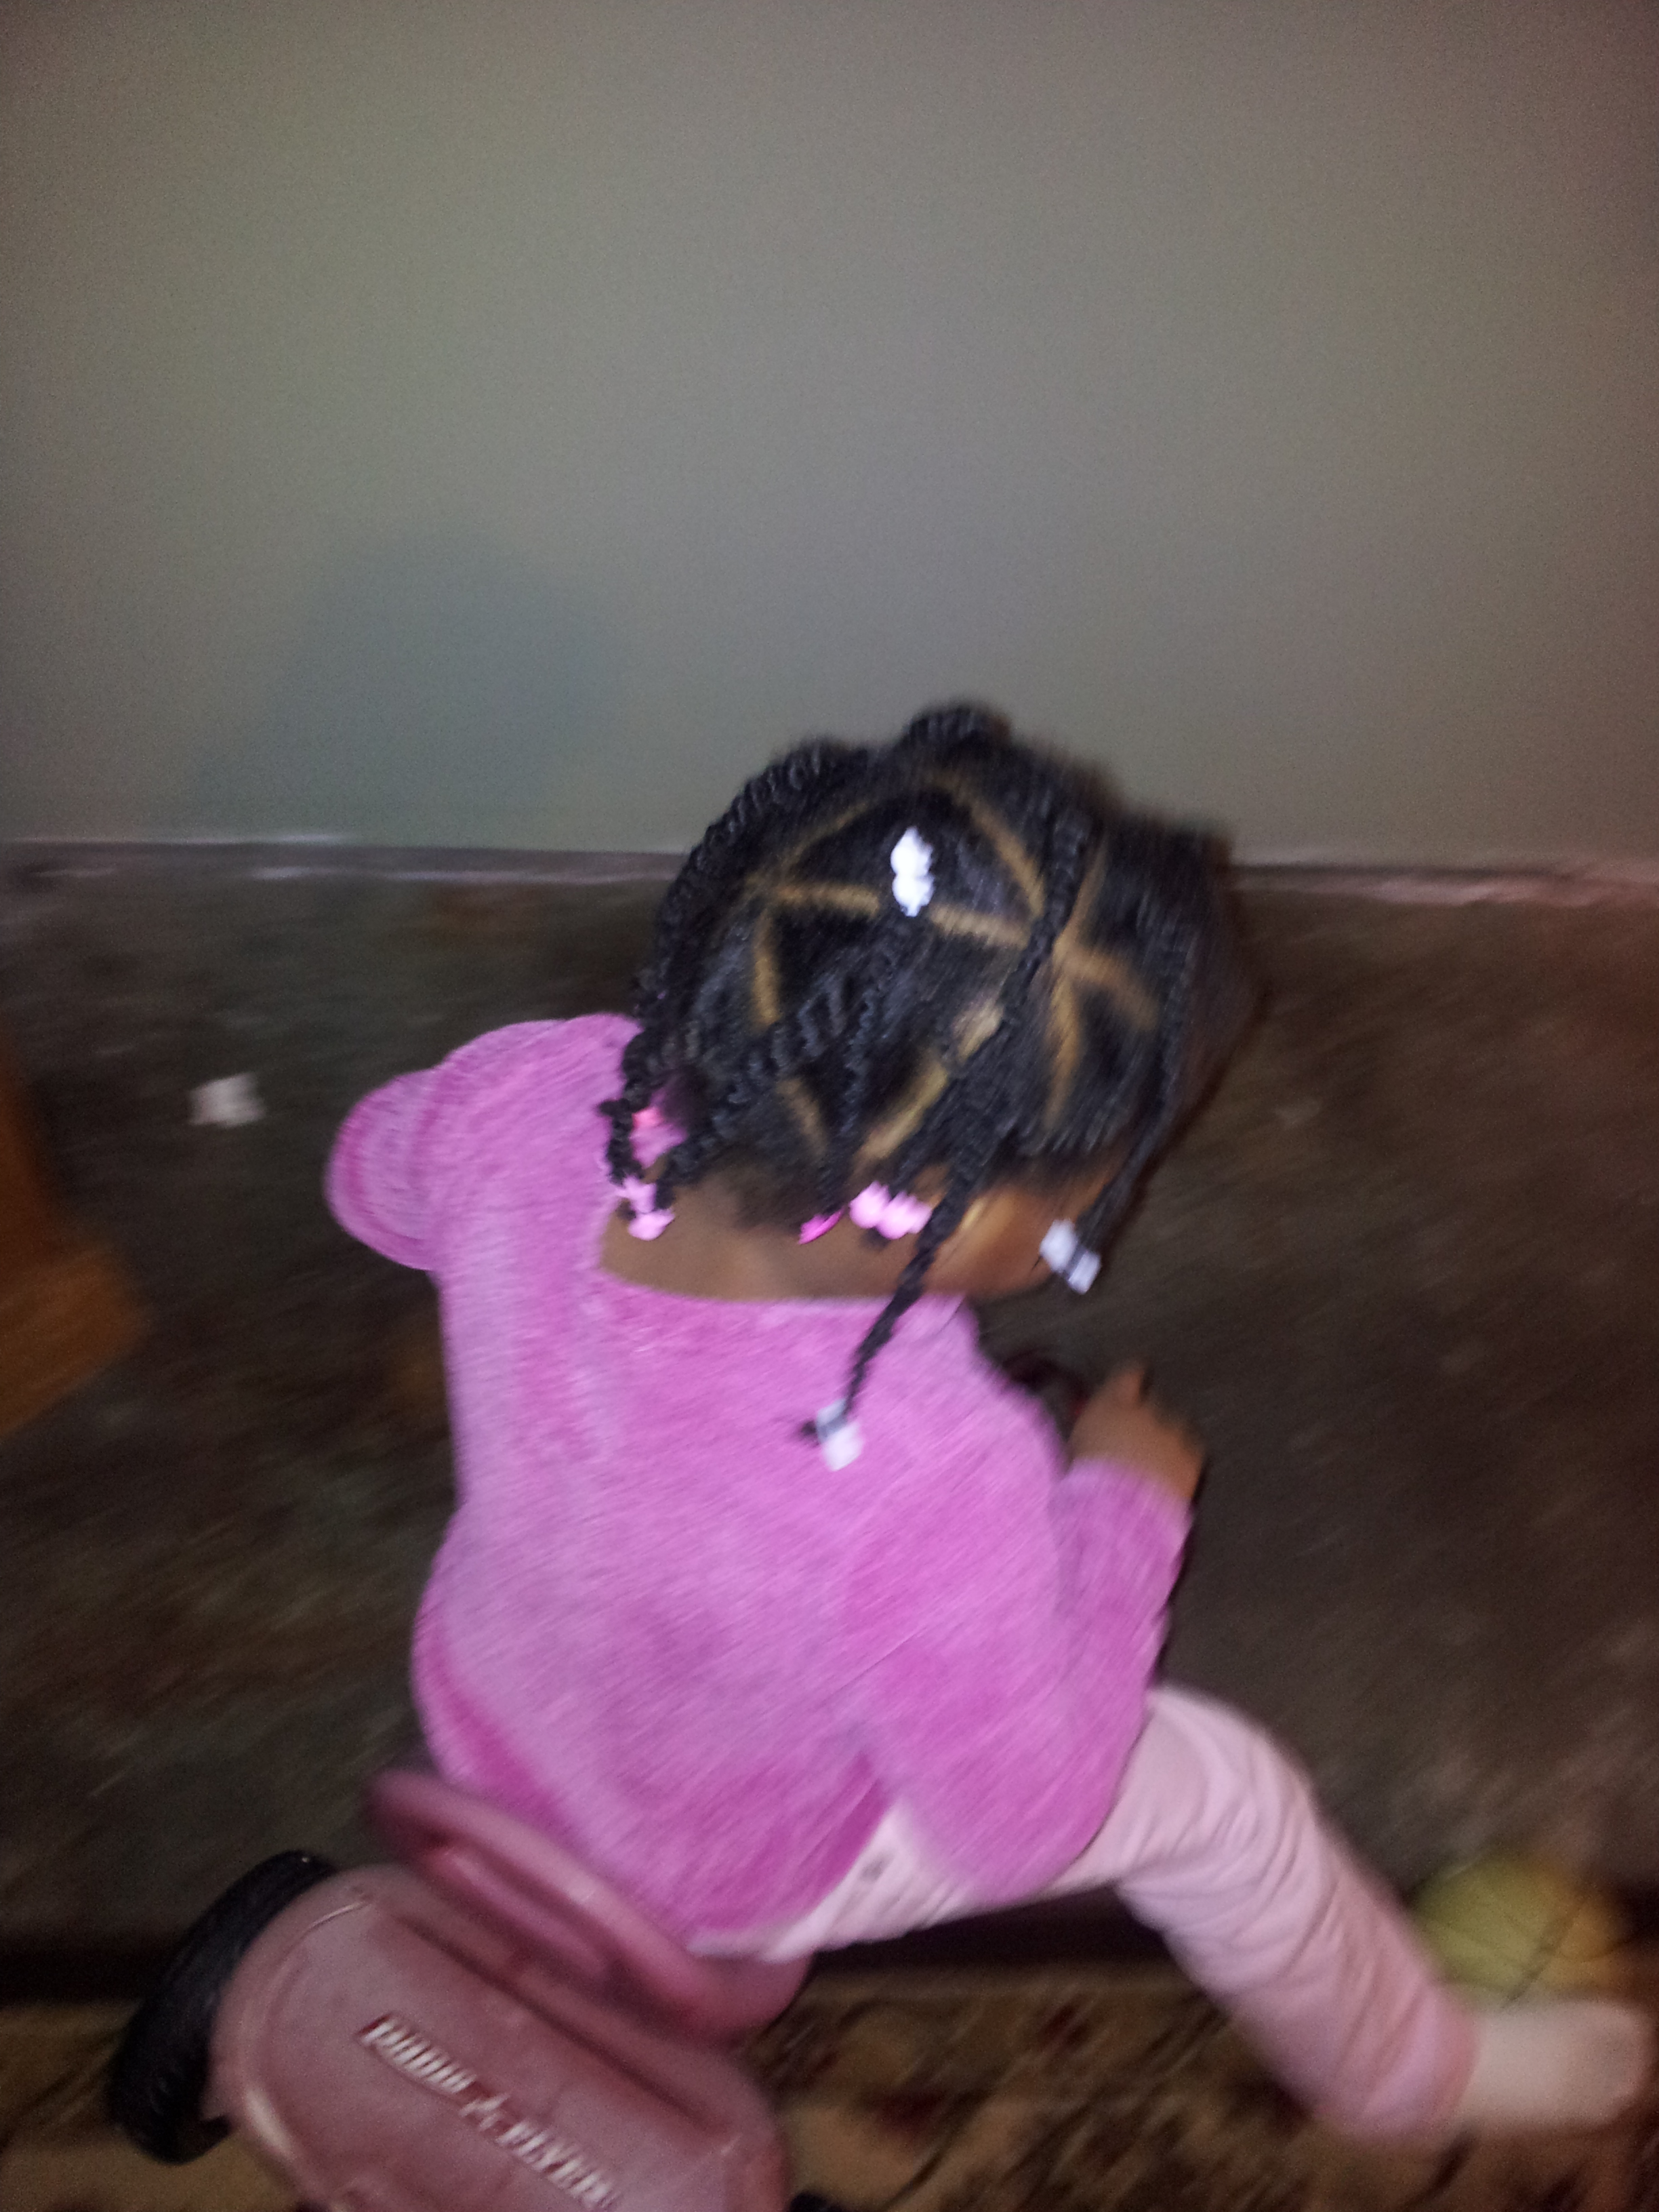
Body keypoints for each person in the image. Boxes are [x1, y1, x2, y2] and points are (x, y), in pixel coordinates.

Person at [328, 703, 1650, 2141]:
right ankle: (1408, 2076)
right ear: (951, 1224)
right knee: (1227, 1797)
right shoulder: (929, 1469)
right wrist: (1124, 1508)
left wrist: (536, 1300)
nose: (1088, 1225)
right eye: (1084, 1205)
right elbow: (1023, 1820)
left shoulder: (539, 1095)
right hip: (731, 1858)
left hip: (493, 1709)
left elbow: (368, 1178)